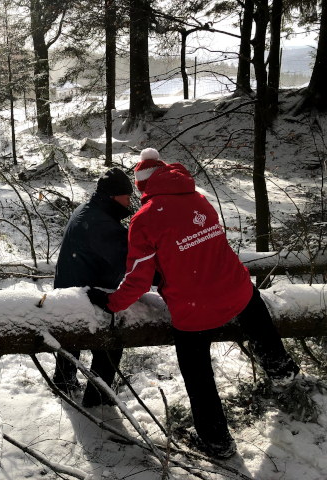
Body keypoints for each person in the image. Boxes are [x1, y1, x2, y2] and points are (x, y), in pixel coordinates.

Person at [88, 148, 299, 458]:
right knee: (254, 309)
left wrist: (111, 303)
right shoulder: (198, 198)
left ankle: (217, 441)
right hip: (237, 289)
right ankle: (282, 370)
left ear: (142, 186)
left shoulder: (144, 219)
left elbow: (139, 279)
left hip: (194, 309)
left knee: (197, 373)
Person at [53, 167, 133, 408]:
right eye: (127, 197)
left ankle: (64, 383)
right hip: (86, 296)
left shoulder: (89, 211)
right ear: (113, 196)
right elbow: (131, 262)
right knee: (111, 340)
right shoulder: (101, 224)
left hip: (69, 290)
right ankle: (97, 400)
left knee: (71, 342)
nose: (130, 202)